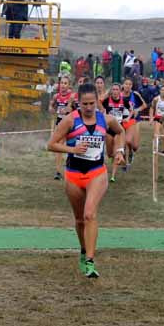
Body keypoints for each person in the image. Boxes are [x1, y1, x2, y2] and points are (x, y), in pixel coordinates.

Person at [47, 84, 126, 279]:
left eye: (92, 103)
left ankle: (90, 261)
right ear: (78, 103)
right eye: (85, 104)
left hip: (96, 173)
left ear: (98, 101)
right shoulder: (69, 120)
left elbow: (120, 132)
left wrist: (119, 151)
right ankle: (83, 251)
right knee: (80, 219)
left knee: (90, 214)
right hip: (73, 174)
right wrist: (72, 150)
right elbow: (51, 144)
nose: (89, 107)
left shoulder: (106, 120)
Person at [48, 75, 78, 180]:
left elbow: (76, 109)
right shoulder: (56, 96)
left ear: (69, 85)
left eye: (65, 83)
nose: (63, 85)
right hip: (60, 123)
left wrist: (69, 108)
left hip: (71, 123)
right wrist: (52, 109)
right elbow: (51, 106)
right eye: (62, 83)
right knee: (58, 146)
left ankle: (72, 167)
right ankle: (58, 171)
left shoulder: (73, 96)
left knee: (71, 145)